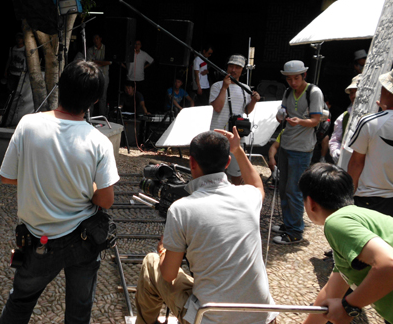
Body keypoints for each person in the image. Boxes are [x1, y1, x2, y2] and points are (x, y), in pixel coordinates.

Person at [0, 60, 119, 324]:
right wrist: (85, 188)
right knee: (79, 309)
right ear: (94, 100)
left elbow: (7, 177)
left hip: (37, 238)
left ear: (60, 87)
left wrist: (41, 181)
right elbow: (106, 200)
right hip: (83, 238)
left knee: (20, 302)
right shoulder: (99, 142)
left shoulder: (28, 125)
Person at [135, 129, 277, 324]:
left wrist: (163, 251)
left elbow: (168, 275)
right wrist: (238, 150)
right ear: (227, 162)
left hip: (209, 318)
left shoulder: (181, 209)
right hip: (264, 318)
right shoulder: (248, 197)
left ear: (192, 162)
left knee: (151, 262)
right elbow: (257, 185)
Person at [299, 163, 393, 324]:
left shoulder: (336, 222)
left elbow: (390, 264)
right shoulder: (359, 218)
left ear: (310, 203)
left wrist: (348, 307)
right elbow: (330, 292)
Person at [273, 60, 324, 244]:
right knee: (284, 188)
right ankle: (288, 223)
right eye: (289, 79)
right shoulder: (288, 92)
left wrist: (299, 121)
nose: (293, 82)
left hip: (302, 148)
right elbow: (283, 113)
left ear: (304, 75)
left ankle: (295, 231)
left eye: (296, 78)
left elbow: (316, 120)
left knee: (294, 190)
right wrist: (280, 115)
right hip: (286, 144)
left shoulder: (314, 92)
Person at [347, 67, 393, 217]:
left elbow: (356, 163)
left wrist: (347, 197)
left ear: (388, 91)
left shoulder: (370, 122)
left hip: (369, 199)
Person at [209, 54, 260, 185]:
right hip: (217, 136)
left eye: (237, 67)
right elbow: (217, 108)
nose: (233, 70)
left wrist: (253, 101)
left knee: (236, 175)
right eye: (231, 66)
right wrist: (224, 88)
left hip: (237, 137)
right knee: (215, 174)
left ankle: (235, 196)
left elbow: (246, 111)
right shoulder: (217, 86)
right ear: (226, 67)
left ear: (242, 70)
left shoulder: (245, 88)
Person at [329, 75, 361, 164]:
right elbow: (335, 140)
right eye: (351, 93)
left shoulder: (377, 116)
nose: (354, 96)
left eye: (357, 91)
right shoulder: (344, 117)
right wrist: (335, 151)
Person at [86, 34, 112, 116]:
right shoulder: (90, 50)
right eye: (94, 39)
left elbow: (109, 62)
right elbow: (90, 63)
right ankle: (89, 115)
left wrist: (96, 61)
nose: (95, 40)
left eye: (97, 38)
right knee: (92, 95)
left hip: (104, 75)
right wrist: (102, 63)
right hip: (94, 75)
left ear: (100, 39)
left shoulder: (106, 49)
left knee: (103, 96)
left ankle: (102, 115)